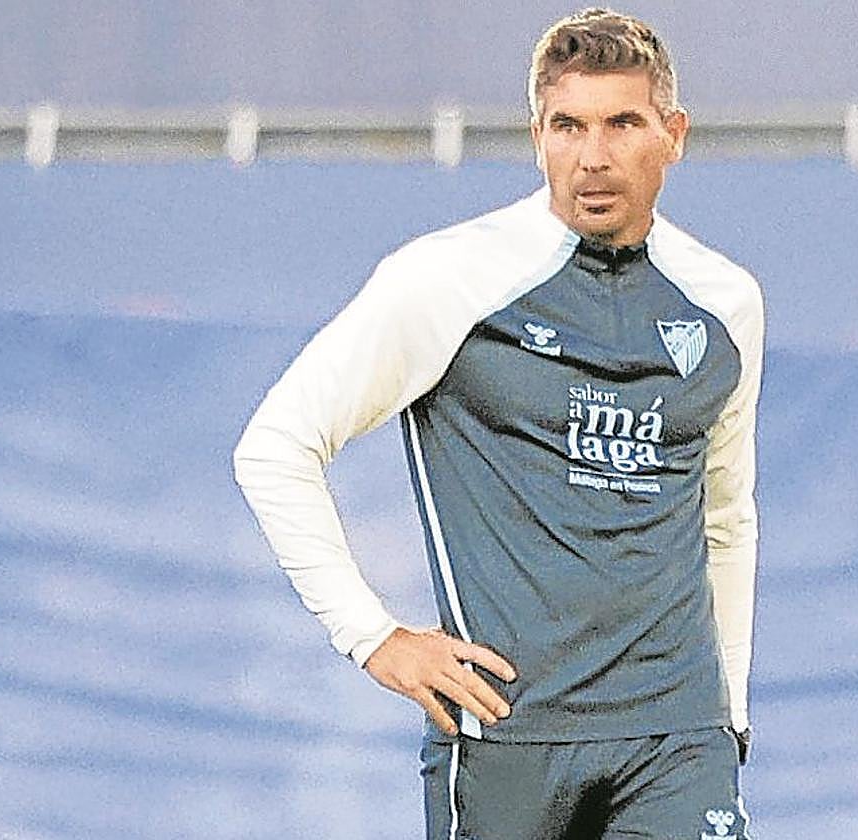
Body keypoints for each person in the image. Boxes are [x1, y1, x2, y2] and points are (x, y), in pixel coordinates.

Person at [234, 7, 763, 839]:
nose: (592, 155)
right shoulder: (446, 278)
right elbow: (275, 446)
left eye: (623, 123)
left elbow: (725, 518)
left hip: (677, 739)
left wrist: (726, 711)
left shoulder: (725, 302)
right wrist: (373, 637)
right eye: (568, 126)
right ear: (536, 136)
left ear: (674, 134)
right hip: (505, 734)